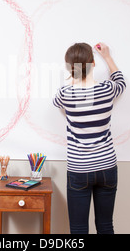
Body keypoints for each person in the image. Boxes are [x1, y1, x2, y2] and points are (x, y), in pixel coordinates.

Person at [53, 42, 126, 234]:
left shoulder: (66, 93)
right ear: (93, 63)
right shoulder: (108, 89)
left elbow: (56, 103)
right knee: (105, 226)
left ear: (70, 67)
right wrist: (108, 57)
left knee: (78, 230)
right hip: (106, 166)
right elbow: (121, 81)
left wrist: (76, 77)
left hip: (79, 168)